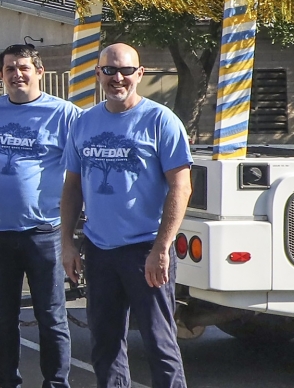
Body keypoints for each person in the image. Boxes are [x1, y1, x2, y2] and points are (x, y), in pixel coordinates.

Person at [61, 43, 190, 388]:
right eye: (109, 70)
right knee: (104, 344)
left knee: (159, 342)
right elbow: (72, 188)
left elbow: (181, 188)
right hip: (100, 250)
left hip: (146, 251)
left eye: (126, 71)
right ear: (98, 74)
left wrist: (161, 249)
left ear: (140, 74)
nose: (118, 78)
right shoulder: (84, 123)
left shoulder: (161, 121)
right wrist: (68, 245)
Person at [0, 44, 80, 388]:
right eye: (10, 69)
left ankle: (56, 382)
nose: (17, 74)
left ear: (39, 72)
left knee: (51, 317)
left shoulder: (64, 115)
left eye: (24, 68)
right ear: (1, 76)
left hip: (45, 233)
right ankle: (6, 381)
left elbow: (82, 170)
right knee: (2, 318)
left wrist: (73, 229)